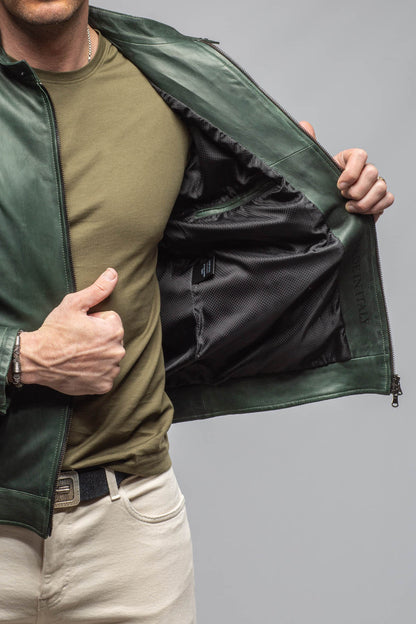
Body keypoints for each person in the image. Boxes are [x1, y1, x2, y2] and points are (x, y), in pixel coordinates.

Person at [0, 1, 396, 622]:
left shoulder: (166, 78)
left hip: (133, 531)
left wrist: (329, 187)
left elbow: (241, 224)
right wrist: (21, 358)